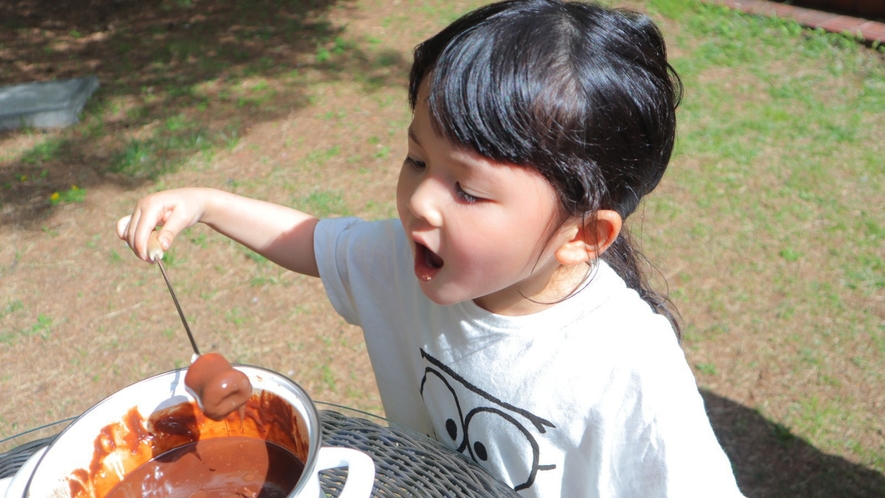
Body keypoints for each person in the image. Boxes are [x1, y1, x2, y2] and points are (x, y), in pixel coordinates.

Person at [117, 1, 745, 496]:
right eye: (417, 159)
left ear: (582, 236)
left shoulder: (627, 363)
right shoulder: (405, 257)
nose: (421, 200)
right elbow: (316, 242)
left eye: (468, 190)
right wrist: (206, 203)